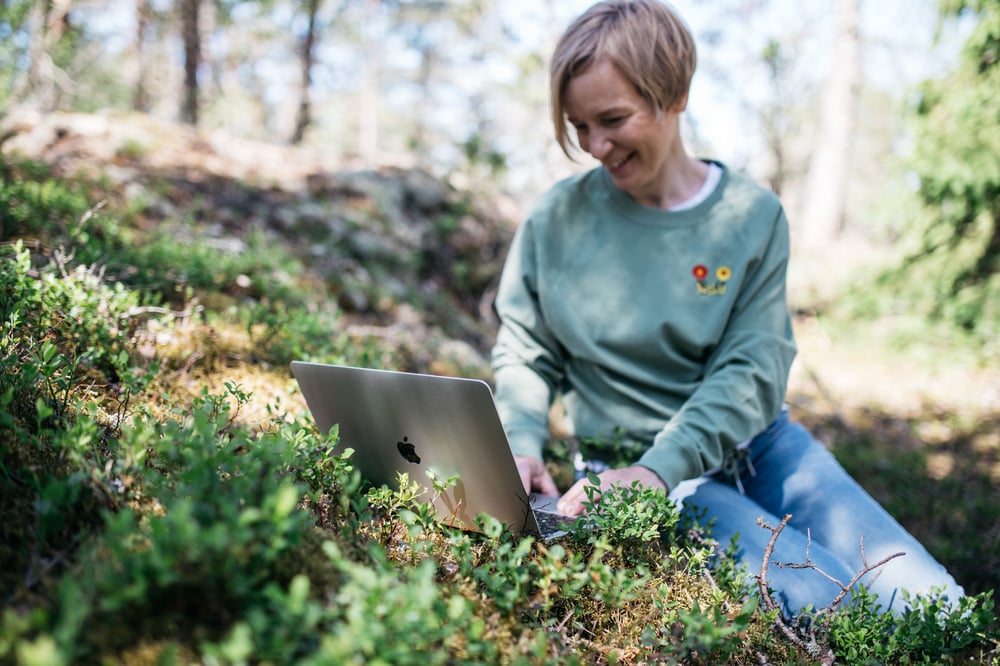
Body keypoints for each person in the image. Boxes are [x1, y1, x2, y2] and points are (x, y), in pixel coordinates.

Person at [489, 0, 964, 615]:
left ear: (675, 95)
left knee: (934, 604)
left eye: (612, 119)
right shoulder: (557, 218)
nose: (595, 145)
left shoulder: (752, 216)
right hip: (633, 469)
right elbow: (526, 347)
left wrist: (665, 464)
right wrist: (523, 441)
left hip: (758, 448)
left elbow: (753, 368)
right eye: (579, 126)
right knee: (829, 600)